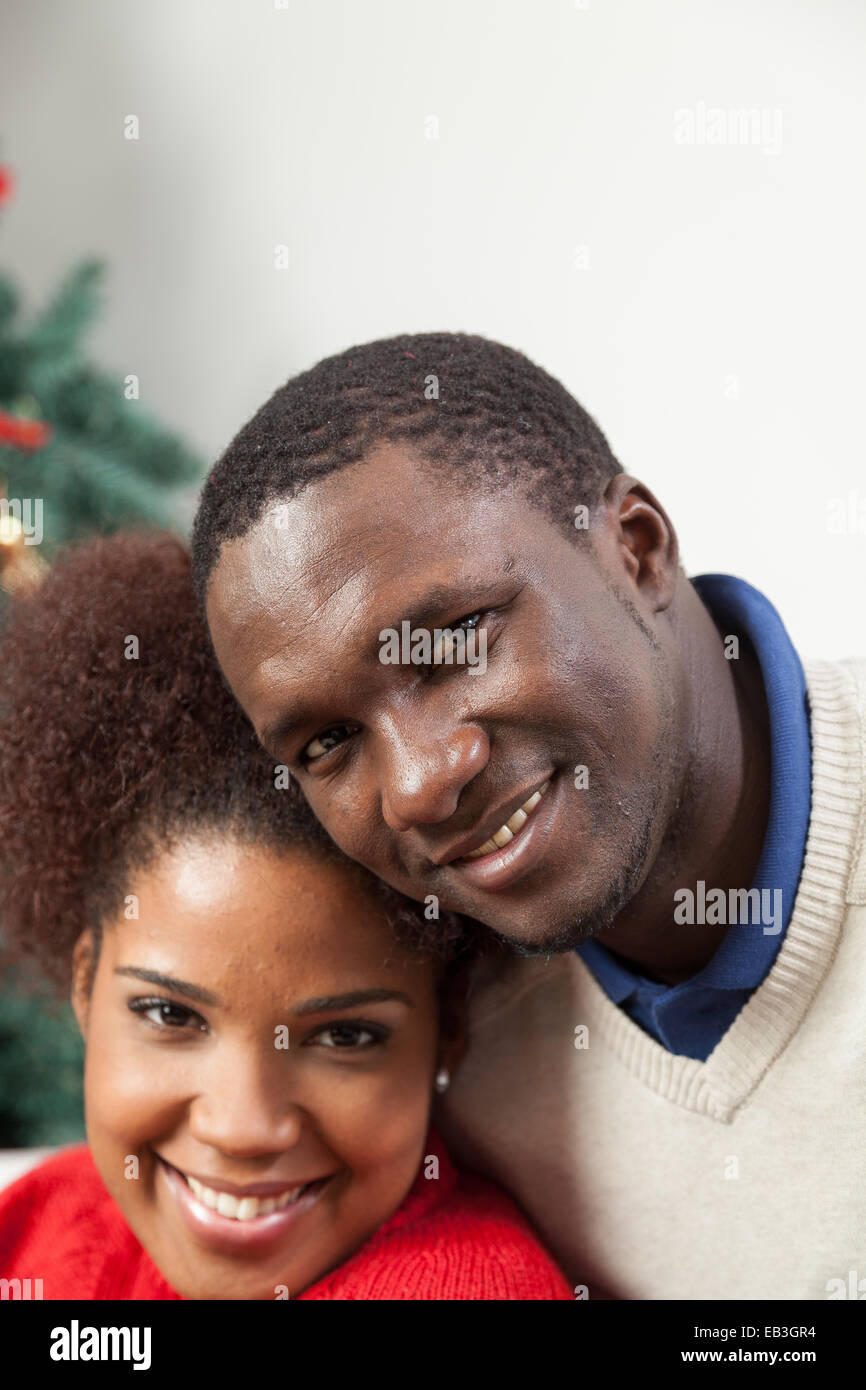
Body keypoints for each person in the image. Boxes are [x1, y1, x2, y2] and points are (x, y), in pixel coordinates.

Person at [191, 330, 866, 1300]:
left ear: (634, 549)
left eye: (458, 638)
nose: (418, 783)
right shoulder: (437, 1044)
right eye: (327, 743)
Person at [0, 532, 572, 1301]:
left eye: (345, 1036)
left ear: (448, 1033)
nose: (241, 1128)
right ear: (83, 987)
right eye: (168, 1013)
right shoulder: (43, 1219)